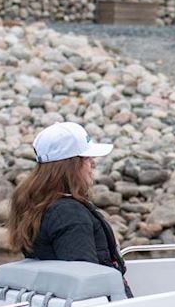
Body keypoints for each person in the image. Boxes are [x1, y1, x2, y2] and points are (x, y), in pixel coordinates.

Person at [8, 121, 132, 293]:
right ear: (71, 166)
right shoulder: (69, 214)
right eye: (87, 158)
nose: (93, 164)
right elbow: (86, 282)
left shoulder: (36, 206)